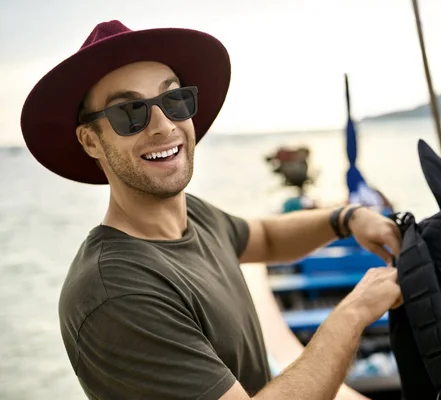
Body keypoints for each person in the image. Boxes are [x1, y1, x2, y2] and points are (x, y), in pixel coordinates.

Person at [20, 20, 403, 400]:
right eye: (129, 113)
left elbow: (266, 238)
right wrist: (353, 313)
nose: (163, 125)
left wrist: (346, 218)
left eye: (174, 100)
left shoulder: (194, 217)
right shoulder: (114, 292)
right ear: (91, 141)